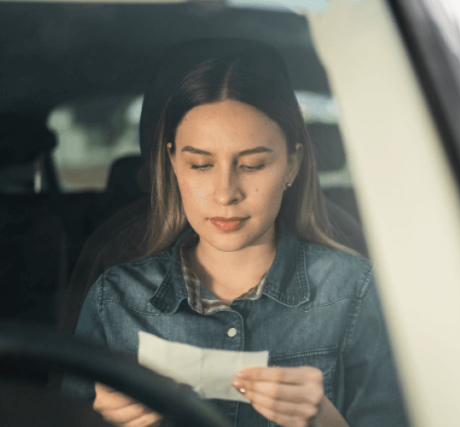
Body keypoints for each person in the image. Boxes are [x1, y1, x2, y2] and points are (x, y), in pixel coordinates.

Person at [61, 40, 408, 427]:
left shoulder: (354, 291)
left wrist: (326, 421)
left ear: (291, 165)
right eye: (201, 165)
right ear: (173, 162)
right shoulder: (116, 300)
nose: (226, 193)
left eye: (254, 164)